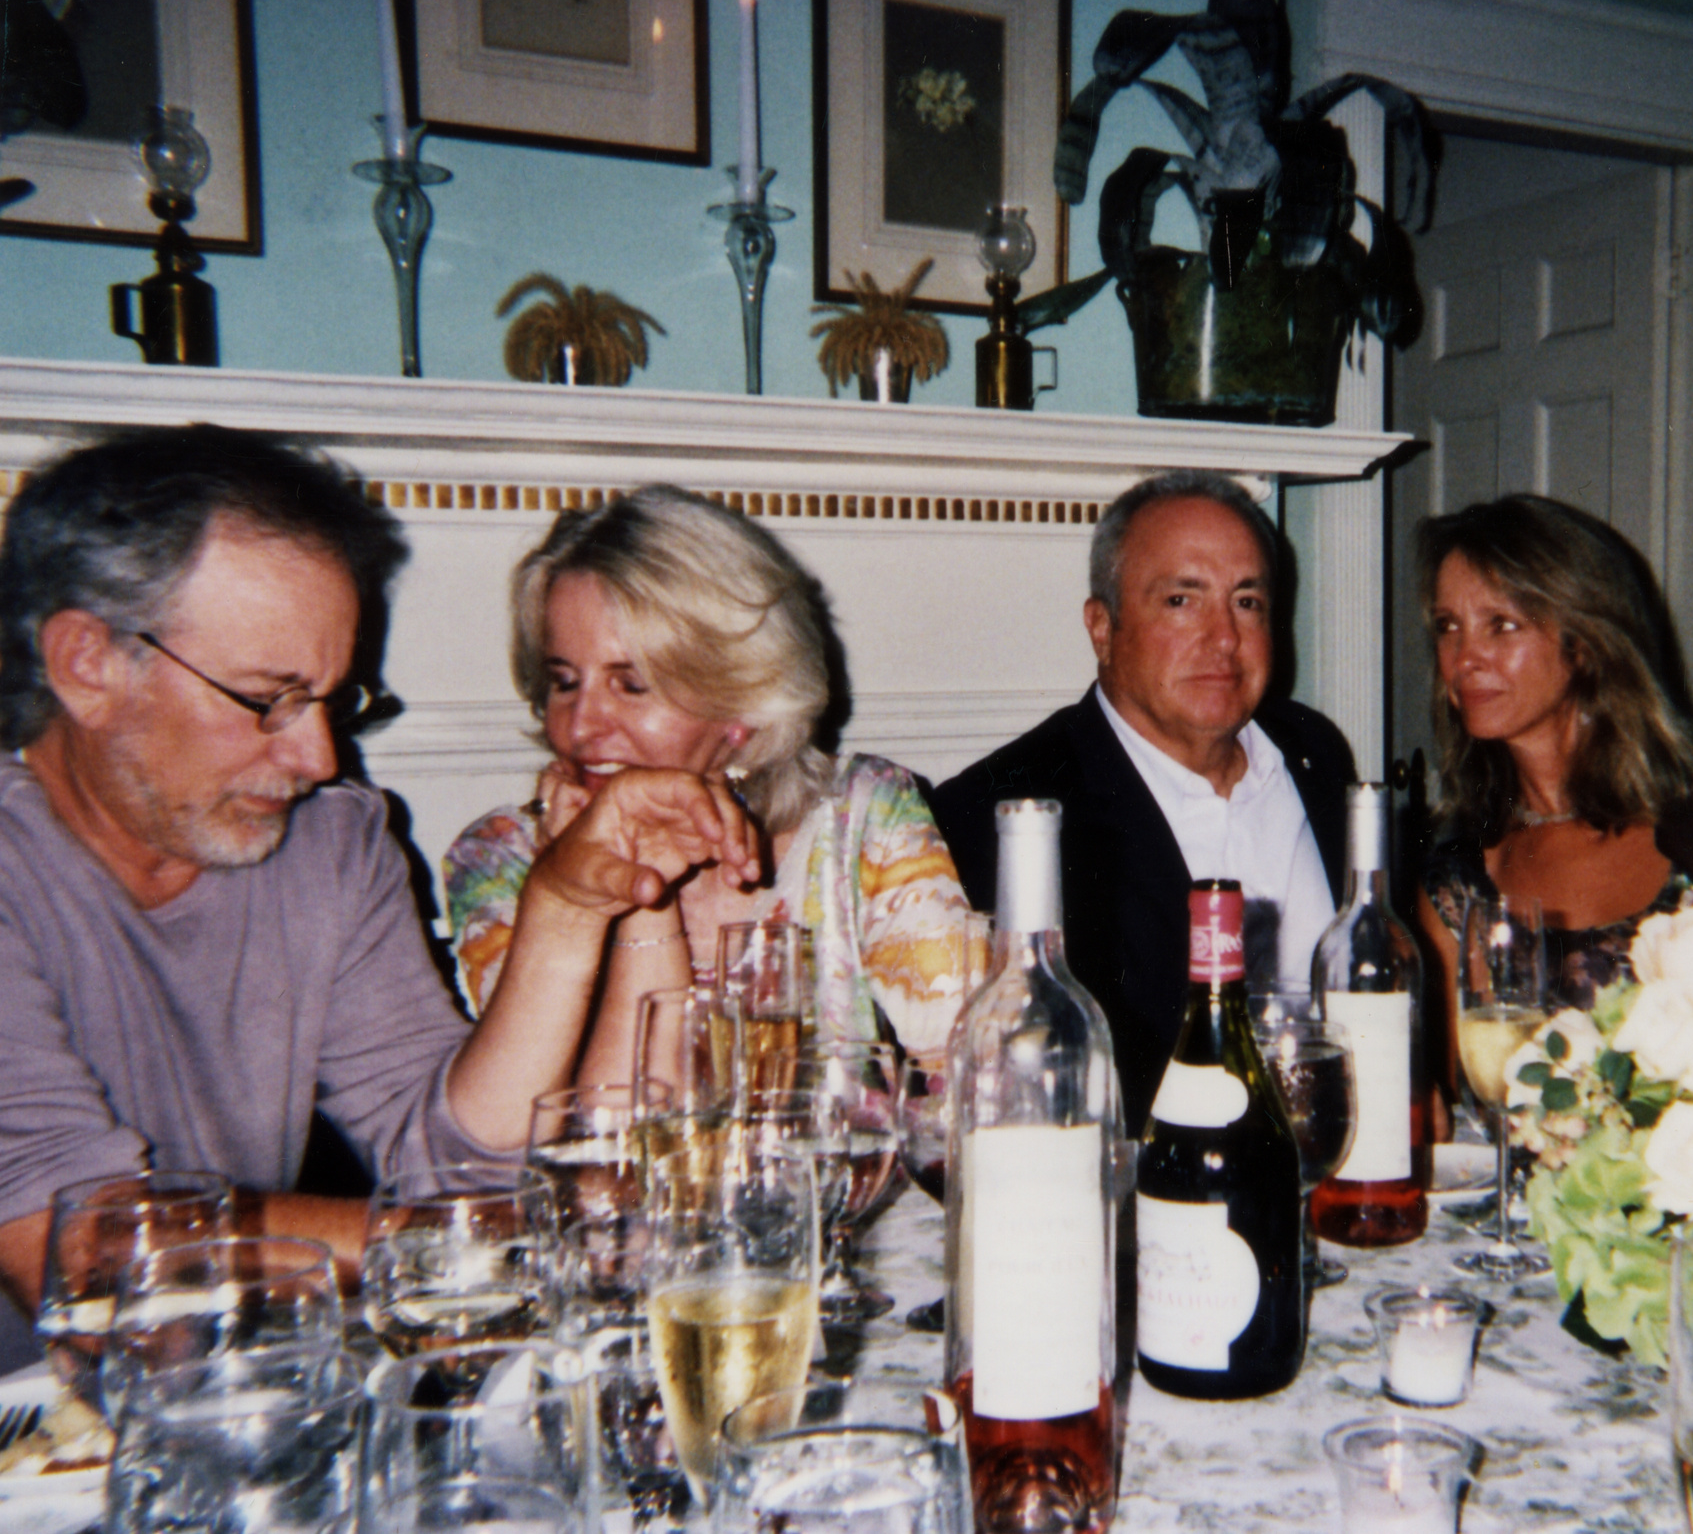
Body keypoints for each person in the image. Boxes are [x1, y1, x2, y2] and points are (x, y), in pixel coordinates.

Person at [0, 425, 739, 1359]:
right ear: (87, 663)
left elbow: (452, 1161)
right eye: (268, 698)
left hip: (227, 1392)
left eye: (330, 700)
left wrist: (564, 905)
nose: (318, 757)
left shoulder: (328, 844)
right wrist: (480, 1235)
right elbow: (79, 1255)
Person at [443, 486, 972, 1080]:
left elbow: (971, 1069)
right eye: (564, 681)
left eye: (631, 685)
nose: (581, 726)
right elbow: (554, 1119)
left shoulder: (861, 817)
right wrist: (612, 885)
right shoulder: (501, 861)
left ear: (740, 702)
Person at [931, 471, 1356, 1114]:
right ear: (1102, 629)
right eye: (1182, 601)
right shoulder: (999, 817)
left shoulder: (1315, 754)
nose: (1225, 638)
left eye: (1247, 602)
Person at [1415, 495, 1693, 1015]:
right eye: (1447, 626)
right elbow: (1456, 1067)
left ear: (1586, 640)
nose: (1464, 658)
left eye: (1501, 624)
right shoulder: (1458, 879)